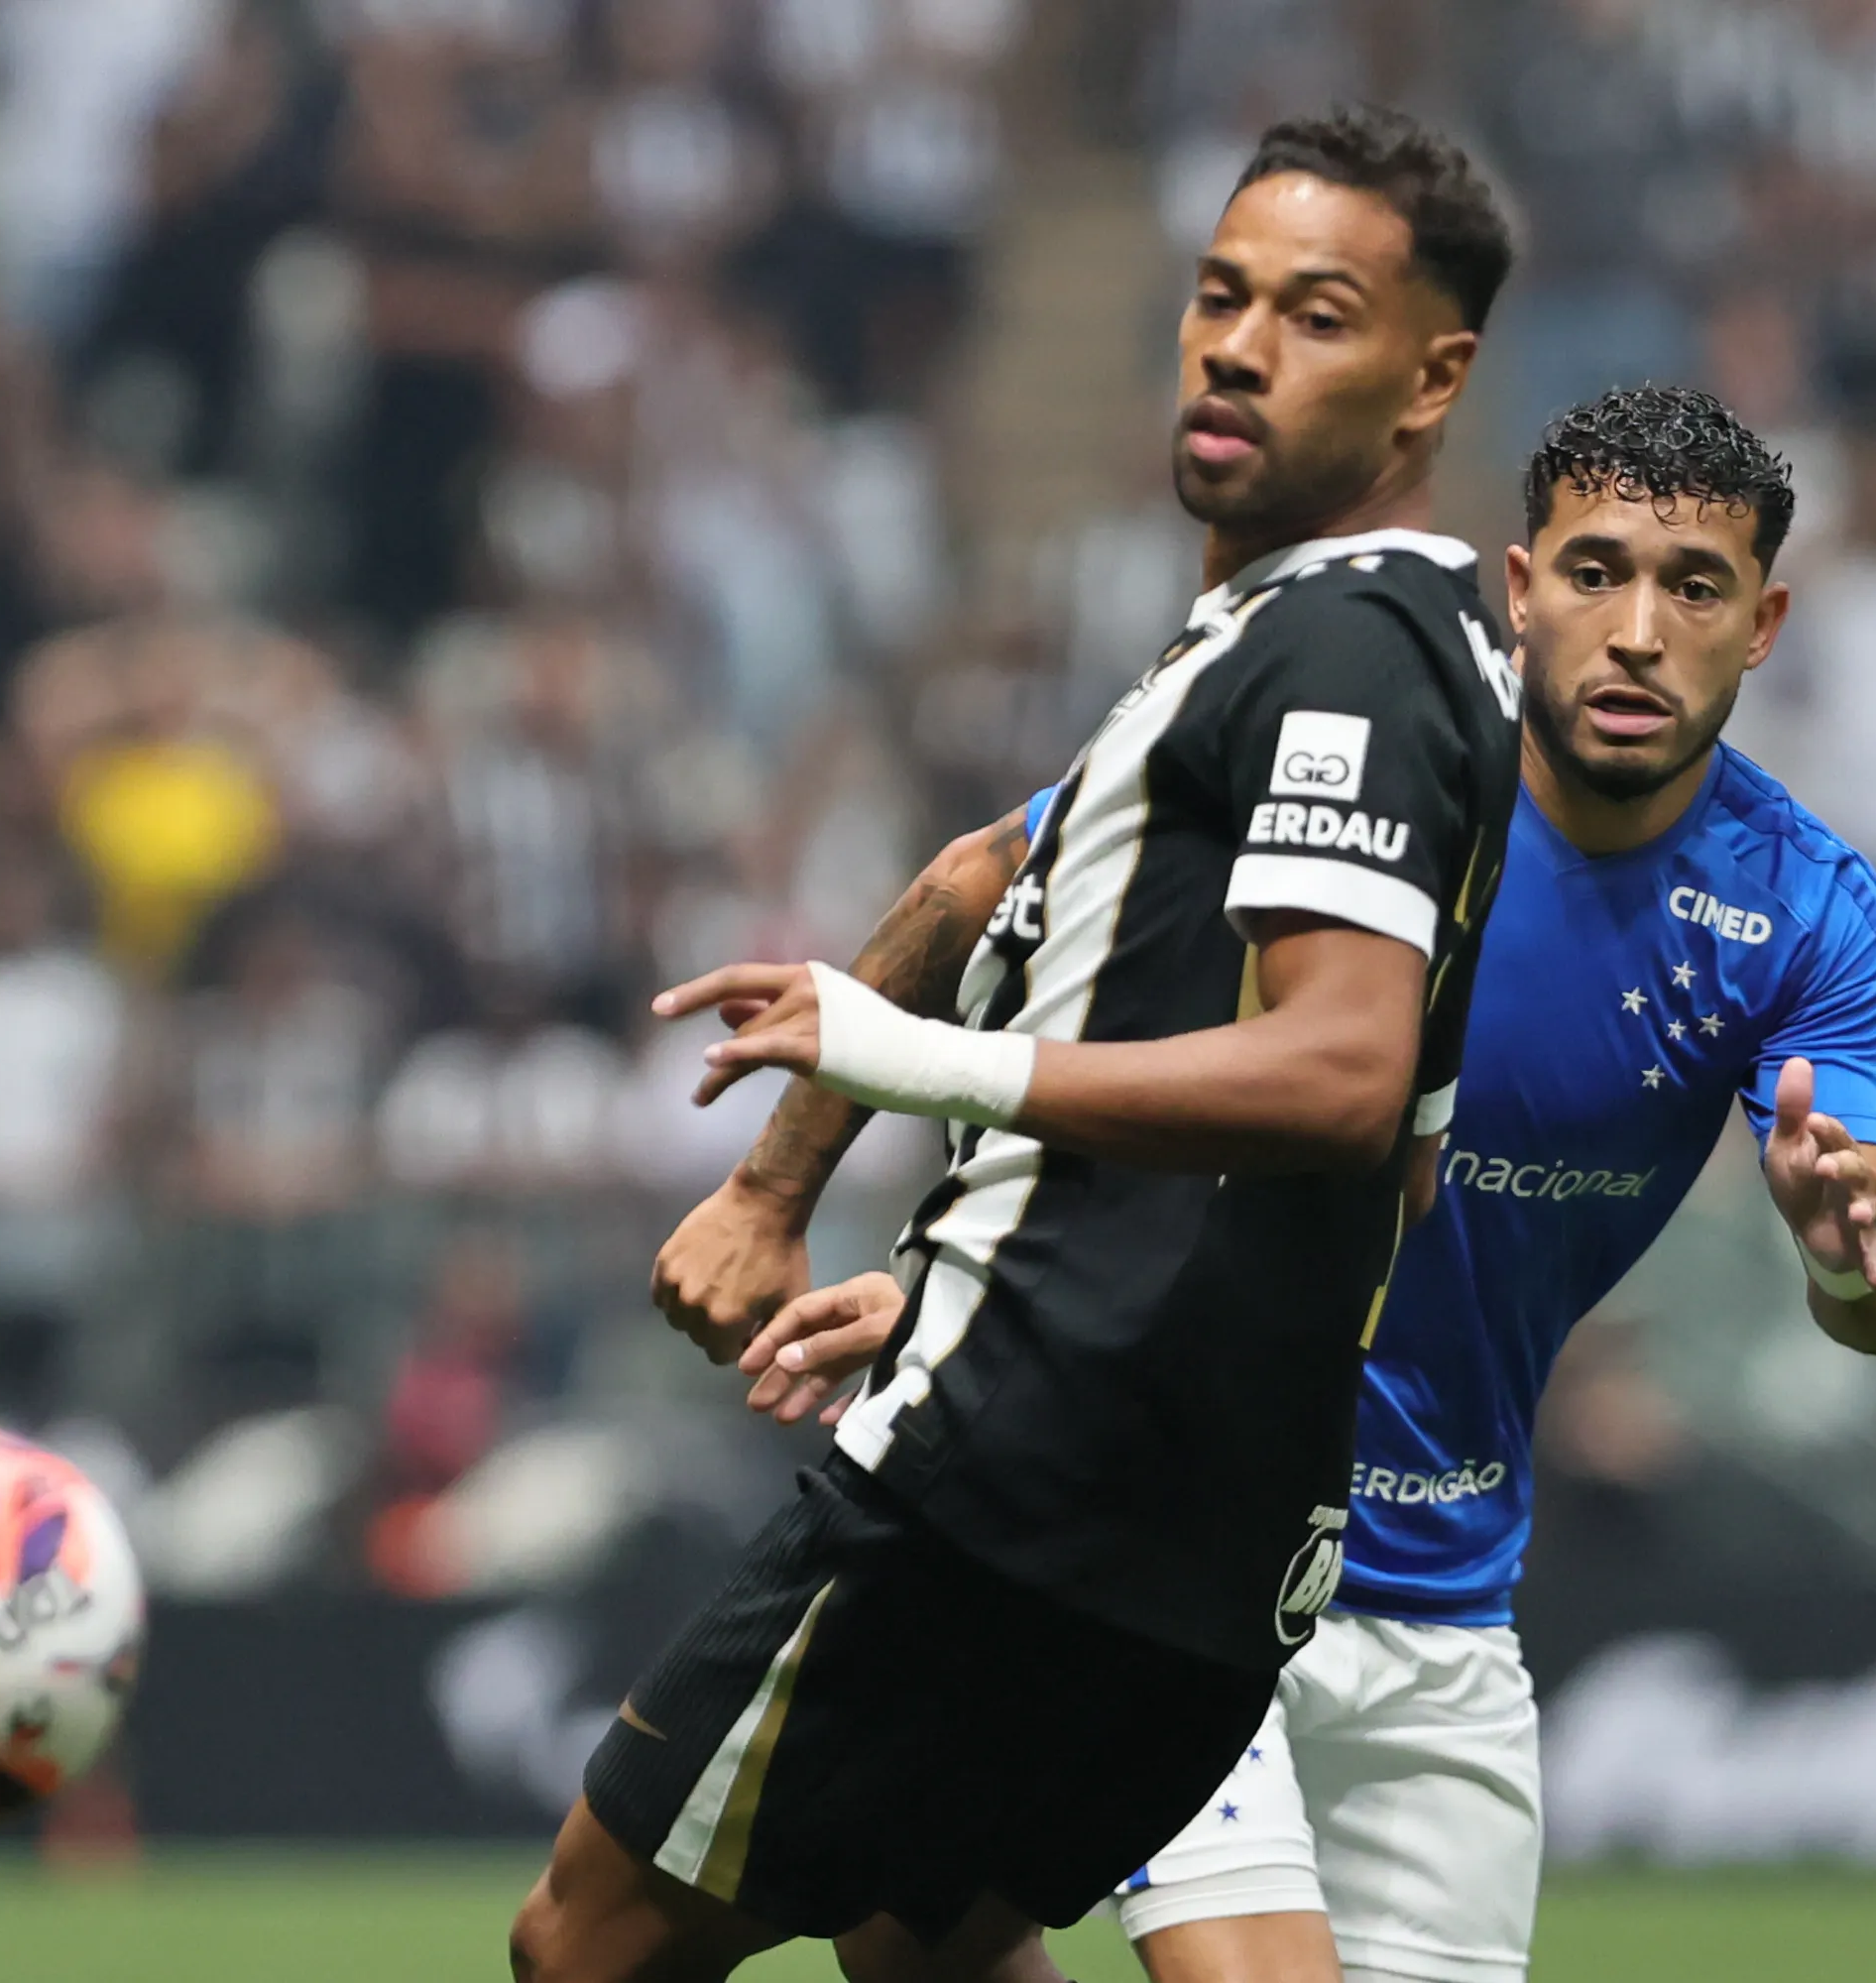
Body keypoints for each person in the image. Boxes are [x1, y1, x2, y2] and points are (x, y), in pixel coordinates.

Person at [694, 387, 1876, 1983]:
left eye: (1692, 587)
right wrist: (776, 1200)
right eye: (1595, 572)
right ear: (1518, 586)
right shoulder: (1356, 767)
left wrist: (1844, 1254)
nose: (1636, 630)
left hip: (1444, 1608)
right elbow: (966, 887)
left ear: (1762, 623)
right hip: (1175, 1539)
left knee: (906, 1933)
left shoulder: (1810, 910)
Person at [511, 106, 1523, 1983]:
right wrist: (811, 1201)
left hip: (1025, 1472)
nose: (1236, 344)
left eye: (1315, 316)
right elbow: (997, 875)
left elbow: (1339, 1075)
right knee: (923, 1941)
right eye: (1222, 298)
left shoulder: (1352, 657)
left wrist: (925, 1076)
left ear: (1429, 377)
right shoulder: (1329, 643)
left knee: (583, 1944)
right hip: (1182, 1506)